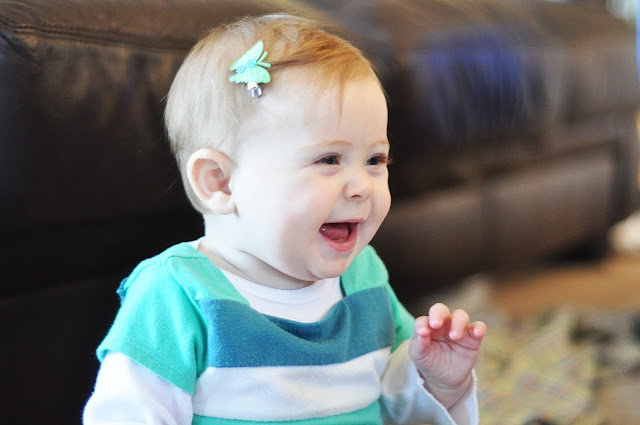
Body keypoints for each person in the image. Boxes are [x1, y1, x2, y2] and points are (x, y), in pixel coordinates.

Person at [83, 13, 486, 425]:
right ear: (220, 182)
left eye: (374, 160)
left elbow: (395, 399)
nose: (362, 186)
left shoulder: (364, 278)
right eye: (329, 159)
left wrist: (435, 380)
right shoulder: (178, 296)